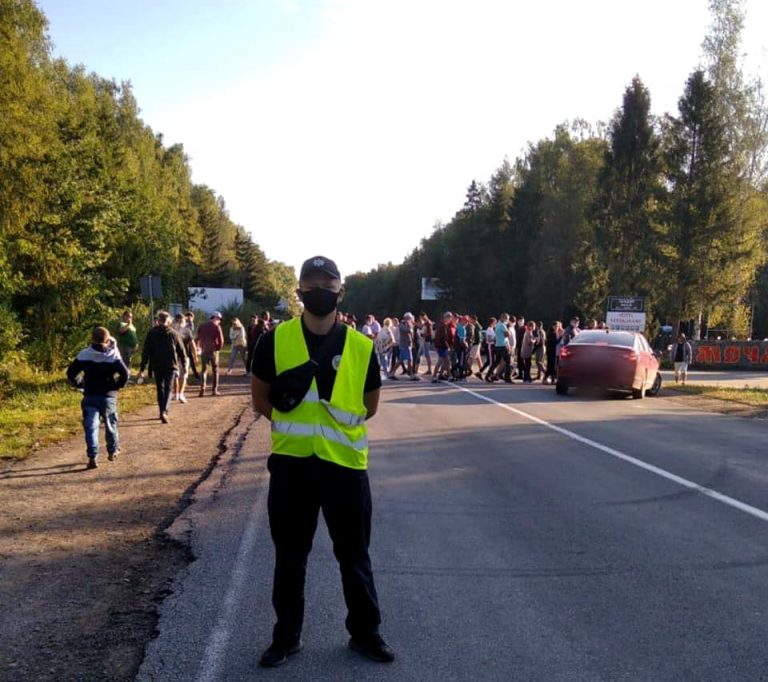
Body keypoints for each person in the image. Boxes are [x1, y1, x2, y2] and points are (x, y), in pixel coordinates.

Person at [250, 255, 393, 667]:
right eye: (311, 284)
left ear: (340, 292)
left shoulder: (361, 346)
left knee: (354, 557)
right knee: (290, 558)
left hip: (345, 469)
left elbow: (369, 405)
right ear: (299, 292)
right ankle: (286, 637)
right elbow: (260, 399)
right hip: (292, 467)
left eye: (327, 285)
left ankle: (366, 634)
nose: (320, 291)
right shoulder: (274, 341)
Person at [67, 326, 129, 469]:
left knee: (91, 426)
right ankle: (113, 451)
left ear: (92, 338)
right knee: (110, 424)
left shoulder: (84, 354)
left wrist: (80, 383)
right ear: (107, 340)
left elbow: (71, 373)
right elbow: (125, 374)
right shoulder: (113, 355)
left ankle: (92, 455)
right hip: (108, 396)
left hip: (90, 395)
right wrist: (117, 386)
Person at [137, 311, 187, 423]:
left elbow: (146, 351)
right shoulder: (173, 333)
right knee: (169, 389)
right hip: (171, 365)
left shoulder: (152, 333)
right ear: (168, 321)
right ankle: (164, 411)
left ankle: (161, 411)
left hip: (157, 364)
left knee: (160, 388)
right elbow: (181, 350)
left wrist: (142, 368)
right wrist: (184, 365)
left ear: (158, 320)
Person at [196, 311, 225, 396]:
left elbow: (197, 338)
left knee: (204, 370)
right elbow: (221, 341)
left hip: (204, 350)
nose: (220, 321)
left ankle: (202, 389)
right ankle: (214, 390)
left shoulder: (202, 326)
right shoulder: (217, 327)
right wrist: (218, 348)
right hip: (213, 350)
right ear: (215, 318)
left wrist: (198, 347)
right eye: (219, 319)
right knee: (215, 370)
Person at [171, 313, 195, 403]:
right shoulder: (187, 331)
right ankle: (181, 394)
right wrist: (195, 355)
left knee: (175, 375)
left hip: (173, 356)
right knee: (183, 375)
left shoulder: (171, 330)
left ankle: (176, 394)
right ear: (183, 321)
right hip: (185, 356)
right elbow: (192, 344)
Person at [431, 312, 455, 383]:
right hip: (441, 346)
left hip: (441, 346)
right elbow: (444, 338)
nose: (450, 319)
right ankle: (434, 377)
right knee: (441, 361)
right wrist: (448, 347)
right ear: (445, 318)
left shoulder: (442, 325)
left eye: (450, 317)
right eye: (449, 317)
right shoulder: (443, 326)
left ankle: (450, 376)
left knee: (447, 361)